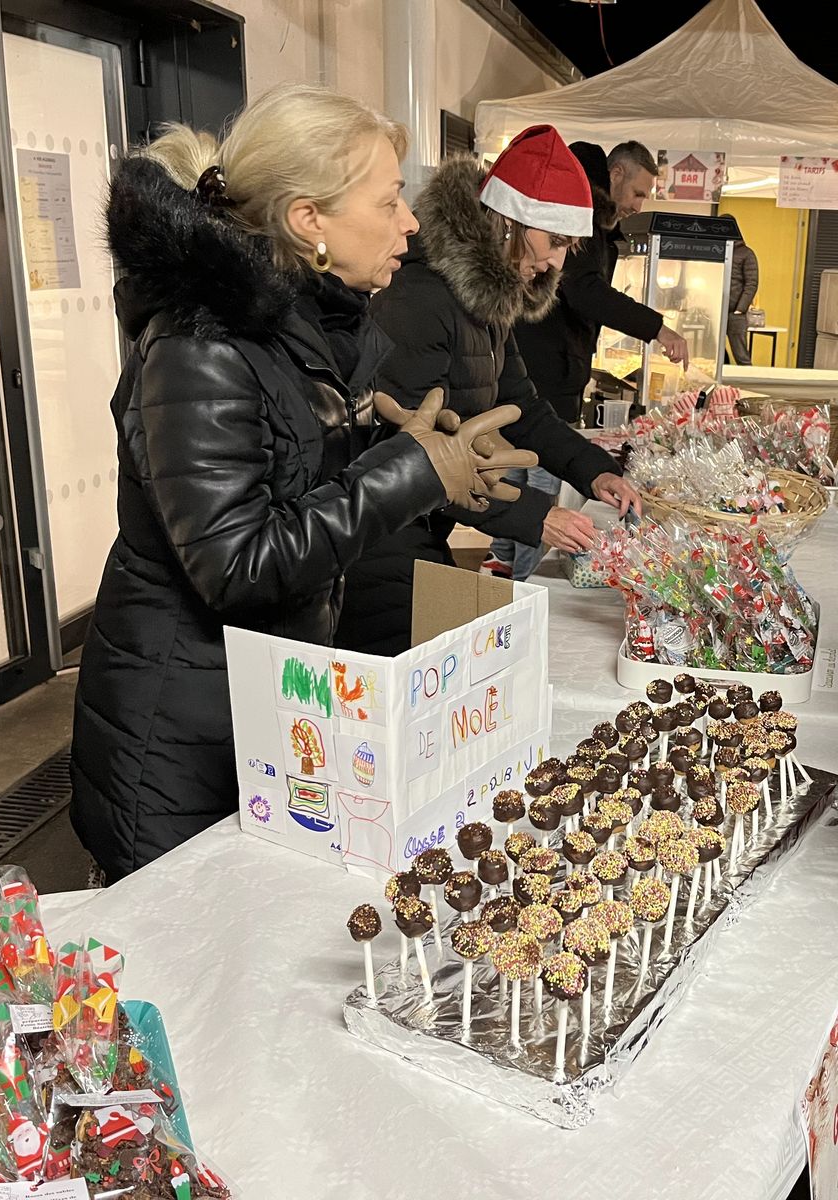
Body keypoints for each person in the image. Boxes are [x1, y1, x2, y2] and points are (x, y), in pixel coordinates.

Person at [69, 85, 529, 882]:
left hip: (260, 707)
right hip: (181, 732)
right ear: (308, 221)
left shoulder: (308, 325)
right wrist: (408, 471)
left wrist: (411, 455)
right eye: (388, 201)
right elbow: (236, 563)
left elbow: (290, 476)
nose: (410, 222)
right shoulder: (200, 345)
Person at [342, 125, 643, 654]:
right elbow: (407, 455)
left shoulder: (484, 303)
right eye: (554, 242)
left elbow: (521, 406)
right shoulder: (421, 299)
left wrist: (595, 471)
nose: (556, 263)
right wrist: (534, 515)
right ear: (509, 221)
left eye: (569, 248)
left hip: (421, 535)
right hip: (376, 546)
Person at [495, 140, 691, 581]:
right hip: (548, 375)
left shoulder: (597, 232)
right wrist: (657, 327)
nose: (551, 263)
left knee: (518, 468)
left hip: (544, 378)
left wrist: (595, 472)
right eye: (639, 193)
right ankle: (520, 575)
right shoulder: (581, 222)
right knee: (533, 485)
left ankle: (505, 560)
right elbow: (585, 293)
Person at [726, 239, 759, 364]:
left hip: (735, 312)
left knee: (741, 355)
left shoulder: (746, 253)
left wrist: (740, 309)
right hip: (716, 310)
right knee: (714, 353)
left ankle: (747, 382)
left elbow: (751, 284)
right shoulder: (717, 250)